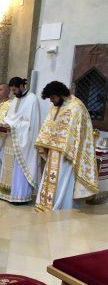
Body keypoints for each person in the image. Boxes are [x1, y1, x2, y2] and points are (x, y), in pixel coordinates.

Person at [35, 81, 99, 211]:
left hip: (67, 153)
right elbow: (48, 126)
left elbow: (78, 132)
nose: (51, 101)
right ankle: (45, 204)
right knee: (50, 178)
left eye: (52, 97)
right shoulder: (55, 107)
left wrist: (66, 147)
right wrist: (45, 142)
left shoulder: (76, 107)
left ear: (60, 94)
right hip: (53, 150)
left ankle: (60, 205)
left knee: (62, 180)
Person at [0, 77, 41, 204]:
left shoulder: (32, 99)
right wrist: (3, 124)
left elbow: (31, 124)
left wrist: (14, 127)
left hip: (22, 141)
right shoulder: (15, 99)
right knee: (8, 167)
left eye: (15, 89)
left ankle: (19, 196)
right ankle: (5, 193)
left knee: (18, 169)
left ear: (22, 86)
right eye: (12, 90)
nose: (14, 92)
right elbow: (10, 117)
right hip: (10, 138)